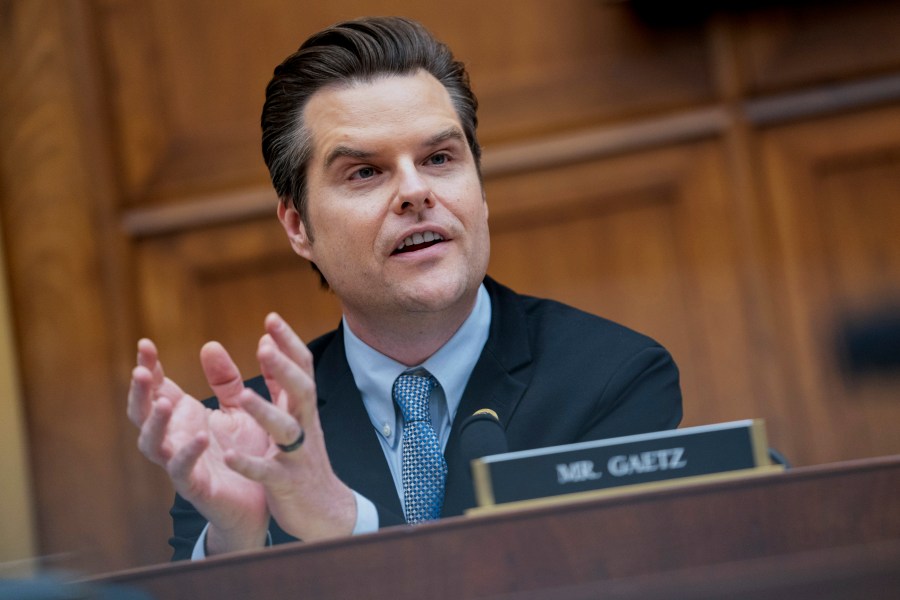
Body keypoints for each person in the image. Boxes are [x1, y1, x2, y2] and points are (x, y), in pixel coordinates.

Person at [127, 16, 682, 561]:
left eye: (439, 159)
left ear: (481, 193)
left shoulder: (615, 377)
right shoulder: (248, 439)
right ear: (299, 228)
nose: (415, 192)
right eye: (365, 172)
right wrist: (239, 543)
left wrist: (344, 522)